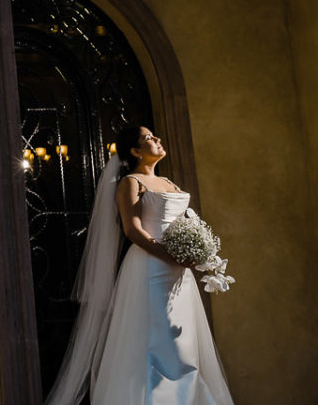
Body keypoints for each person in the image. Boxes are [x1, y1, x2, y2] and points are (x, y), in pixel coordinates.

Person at [43, 125, 234, 405]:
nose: (157, 139)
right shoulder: (131, 183)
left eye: (154, 136)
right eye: (148, 138)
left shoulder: (170, 183)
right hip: (151, 269)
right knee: (160, 344)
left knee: (185, 343)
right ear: (135, 152)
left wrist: (198, 252)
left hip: (179, 273)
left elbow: (183, 223)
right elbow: (133, 230)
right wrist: (171, 256)